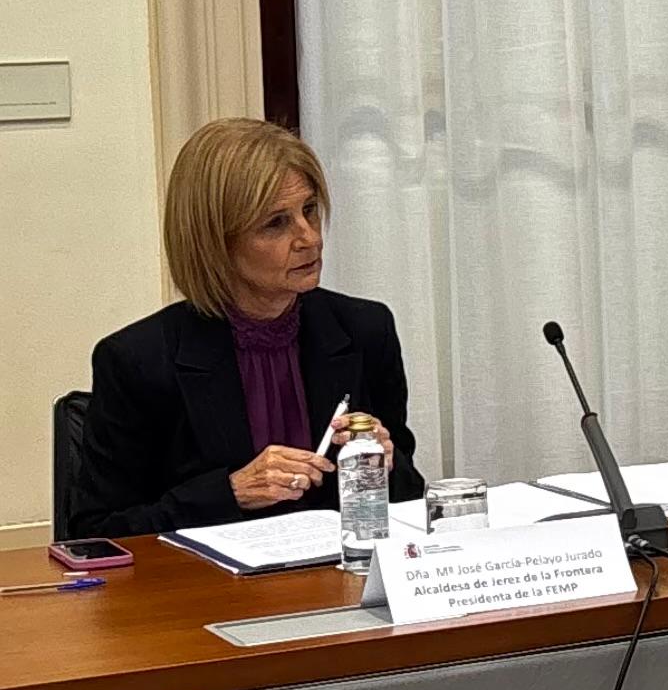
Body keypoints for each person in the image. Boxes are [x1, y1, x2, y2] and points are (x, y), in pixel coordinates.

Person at [71, 118, 419, 538]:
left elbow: (408, 501)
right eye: (276, 223)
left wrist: (387, 463)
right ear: (215, 242)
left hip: (340, 584)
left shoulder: (365, 330)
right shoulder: (139, 361)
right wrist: (230, 492)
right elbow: (97, 535)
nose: (309, 237)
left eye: (309, 210)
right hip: (209, 595)